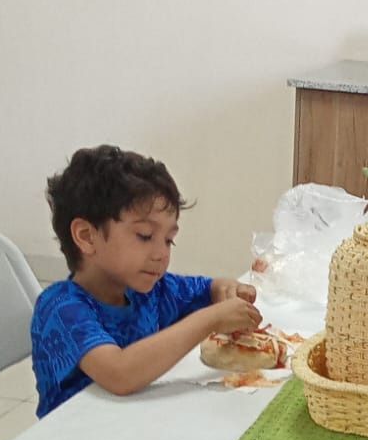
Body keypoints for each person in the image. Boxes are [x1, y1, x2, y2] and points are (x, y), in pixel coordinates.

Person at [31, 145, 262, 417]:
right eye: (144, 236)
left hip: (136, 427)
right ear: (86, 236)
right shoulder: (61, 308)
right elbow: (120, 374)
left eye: (169, 240)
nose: (162, 254)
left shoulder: (150, 290)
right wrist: (212, 319)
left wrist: (227, 289)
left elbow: (208, 289)